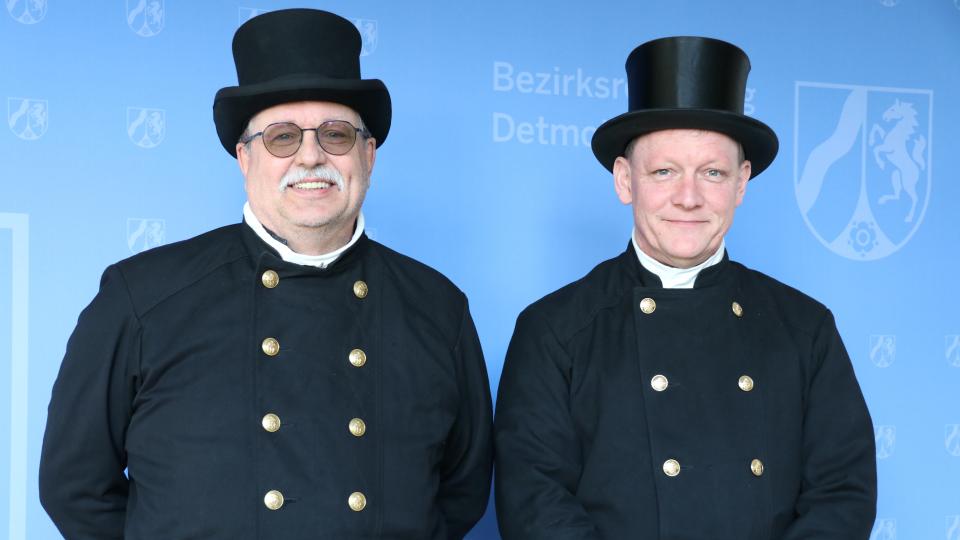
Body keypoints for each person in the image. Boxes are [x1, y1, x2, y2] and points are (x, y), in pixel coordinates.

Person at [39, 9, 492, 539]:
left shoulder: (438, 307)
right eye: (281, 137)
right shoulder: (141, 297)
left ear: (368, 155)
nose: (310, 157)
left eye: (336, 134)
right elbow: (74, 485)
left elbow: (462, 490)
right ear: (243, 157)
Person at [494, 36, 876, 539]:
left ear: (742, 183)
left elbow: (843, 494)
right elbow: (533, 502)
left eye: (712, 172)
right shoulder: (554, 329)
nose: (689, 197)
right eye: (664, 171)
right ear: (625, 180)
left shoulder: (805, 328)